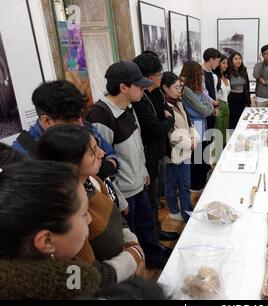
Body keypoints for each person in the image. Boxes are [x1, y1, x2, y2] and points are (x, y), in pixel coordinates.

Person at [36, 124, 146, 288]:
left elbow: (117, 216)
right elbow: (93, 277)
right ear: (71, 164)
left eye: (98, 147)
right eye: (93, 152)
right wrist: (135, 255)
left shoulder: (92, 180)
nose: (102, 154)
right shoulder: (67, 217)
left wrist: (132, 244)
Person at [86, 61, 168, 269]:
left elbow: (138, 145)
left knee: (147, 225)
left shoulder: (130, 108)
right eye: (139, 86)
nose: (144, 89)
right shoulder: (100, 116)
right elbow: (101, 167)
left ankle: (155, 257)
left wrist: (144, 171)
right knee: (132, 235)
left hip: (138, 183)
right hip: (124, 192)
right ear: (123, 87)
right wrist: (120, 199)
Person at [0, 160, 100, 299]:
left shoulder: (71, 277)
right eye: (83, 214)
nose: (90, 219)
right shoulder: (72, 289)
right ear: (47, 241)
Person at [11, 80, 119, 181]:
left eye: (80, 117)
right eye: (71, 122)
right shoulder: (20, 156)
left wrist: (107, 167)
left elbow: (111, 155)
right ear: (47, 120)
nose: (80, 125)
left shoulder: (85, 126)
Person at [132, 51, 179, 242]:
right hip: (147, 155)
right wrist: (166, 121)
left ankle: (157, 231)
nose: (162, 76)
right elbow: (156, 127)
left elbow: (168, 113)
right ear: (150, 77)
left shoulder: (158, 93)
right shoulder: (140, 99)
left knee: (156, 197)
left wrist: (165, 120)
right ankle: (151, 238)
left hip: (159, 151)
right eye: (159, 73)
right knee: (150, 199)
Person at [161, 71, 200, 222]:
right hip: (173, 154)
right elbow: (172, 134)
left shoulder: (179, 102)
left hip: (185, 152)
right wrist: (190, 143)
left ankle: (187, 211)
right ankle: (174, 211)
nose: (179, 91)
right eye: (176, 87)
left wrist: (194, 138)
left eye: (180, 87)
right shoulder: (164, 107)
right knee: (171, 185)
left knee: (185, 184)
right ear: (165, 87)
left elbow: (189, 124)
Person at [180, 61, 213, 193]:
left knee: (203, 157)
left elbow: (205, 108)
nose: (202, 75)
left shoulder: (196, 88)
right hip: (195, 126)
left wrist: (206, 103)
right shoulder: (187, 90)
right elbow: (205, 110)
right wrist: (207, 102)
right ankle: (196, 187)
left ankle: (202, 184)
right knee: (197, 159)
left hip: (201, 125)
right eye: (200, 73)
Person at [213, 54, 231, 160]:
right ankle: (215, 159)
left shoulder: (226, 77)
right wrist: (216, 107)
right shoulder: (215, 77)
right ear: (218, 63)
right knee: (218, 135)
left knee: (224, 135)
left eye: (227, 63)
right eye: (223, 63)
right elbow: (212, 94)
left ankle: (222, 158)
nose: (225, 65)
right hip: (219, 105)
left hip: (226, 106)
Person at [228, 51, 251, 129]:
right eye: (235, 59)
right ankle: (231, 137)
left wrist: (248, 100)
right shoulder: (228, 71)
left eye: (239, 59)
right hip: (231, 98)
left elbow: (247, 86)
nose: (238, 61)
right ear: (231, 61)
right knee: (232, 120)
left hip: (242, 97)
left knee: (241, 119)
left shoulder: (243, 70)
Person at [202, 48, 221, 129]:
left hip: (211, 109)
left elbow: (214, 92)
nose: (218, 64)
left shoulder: (211, 73)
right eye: (218, 61)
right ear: (211, 59)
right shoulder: (200, 73)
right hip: (203, 110)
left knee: (210, 135)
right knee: (203, 138)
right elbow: (203, 93)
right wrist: (213, 103)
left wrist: (215, 107)